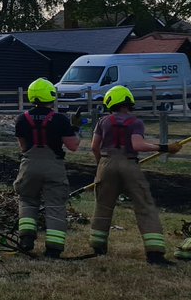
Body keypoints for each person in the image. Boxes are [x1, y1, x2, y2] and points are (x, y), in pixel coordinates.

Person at [89, 85, 183, 265]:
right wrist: (164, 148)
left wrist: (101, 165)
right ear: (129, 102)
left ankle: (98, 247)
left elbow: (94, 147)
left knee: (103, 205)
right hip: (129, 164)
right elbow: (138, 145)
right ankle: (155, 254)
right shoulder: (135, 122)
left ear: (110, 102)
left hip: (106, 163)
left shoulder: (103, 121)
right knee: (144, 205)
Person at [13, 78, 80, 258]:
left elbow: (23, 147)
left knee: (27, 200)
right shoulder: (60, 119)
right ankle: (53, 249)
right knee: (55, 205)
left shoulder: (22, 119)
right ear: (51, 95)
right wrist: (75, 128)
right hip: (53, 166)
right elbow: (73, 146)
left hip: (29, 165)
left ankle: (26, 239)